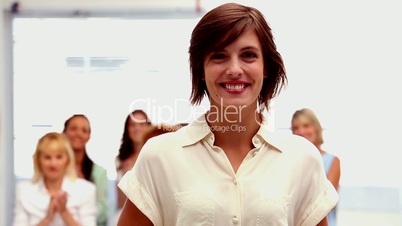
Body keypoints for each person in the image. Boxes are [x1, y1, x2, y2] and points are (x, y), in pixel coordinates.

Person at [117, 3, 339, 226]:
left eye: (248, 55)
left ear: (266, 67)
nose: (234, 70)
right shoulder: (159, 156)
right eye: (219, 56)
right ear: (201, 70)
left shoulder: (302, 158)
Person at [13, 132, 97, 226]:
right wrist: (48, 218)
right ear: (38, 160)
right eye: (47, 157)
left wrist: (64, 212)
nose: (53, 164)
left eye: (59, 157)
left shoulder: (86, 190)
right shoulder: (24, 190)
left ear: (68, 159)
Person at [291, 108, 341, 226]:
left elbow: (325, 202)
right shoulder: (289, 161)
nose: (301, 131)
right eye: (296, 128)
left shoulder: (333, 161)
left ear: (316, 128)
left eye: (306, 125)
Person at [63, 114, 109, 226]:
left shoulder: (99, 172)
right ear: (64, 133)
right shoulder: (54, 168)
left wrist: (79, 214)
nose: (78, 133)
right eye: (73, 128)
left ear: (88, 136)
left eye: (84, 130)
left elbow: (103, 211)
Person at [113, 110, 152, 223]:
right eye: (132, 125)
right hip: (127, 214)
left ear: (149, 126)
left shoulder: (156, 154)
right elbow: (120, 202)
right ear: (127, 129)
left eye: (141, 124)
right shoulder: (120, 160)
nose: (137, 129)